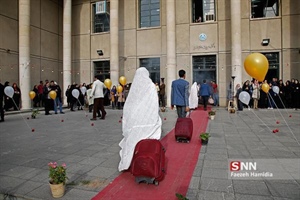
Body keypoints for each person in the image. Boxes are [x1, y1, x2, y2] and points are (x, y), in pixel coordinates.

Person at [118, 67, 162, 171]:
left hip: (134, 118)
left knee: (132, 139)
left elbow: (129, 104)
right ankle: (145, 161)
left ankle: (130, 161)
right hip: (147, 119)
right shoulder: (151, 86)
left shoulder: (134, 86)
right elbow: (154, 103)